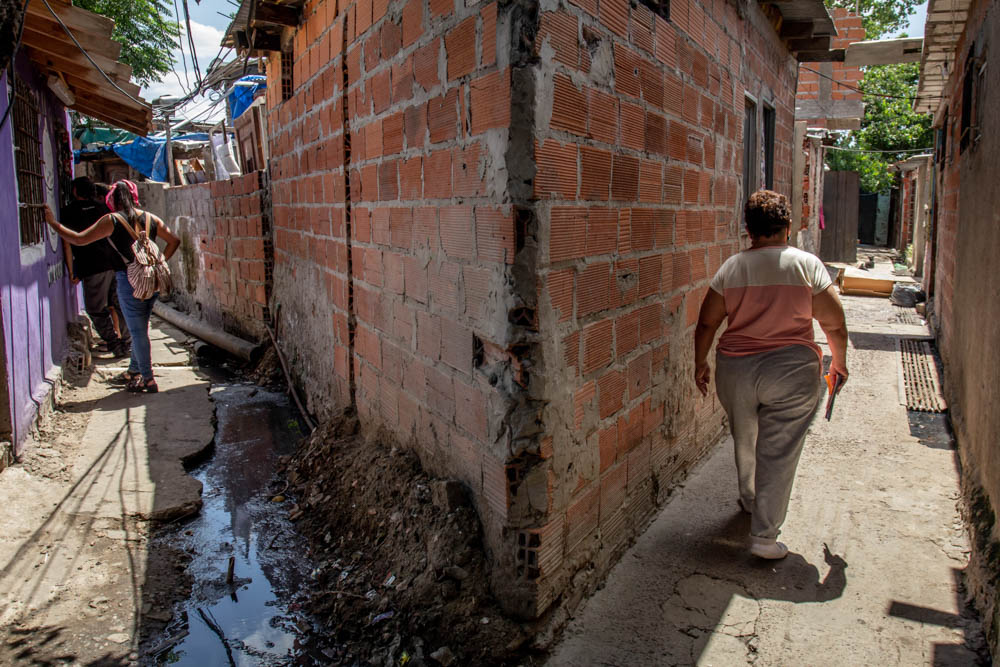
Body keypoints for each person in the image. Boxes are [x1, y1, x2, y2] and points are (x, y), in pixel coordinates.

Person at [693, 190, 848, 560]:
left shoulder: (732, 268)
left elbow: (706, 323)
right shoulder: (807, 265)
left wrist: (700, 363)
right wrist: (838, 363)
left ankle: (750, 500)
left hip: (736, 369)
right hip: (791, 370)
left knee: (745, 436)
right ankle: (764, 536)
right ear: (788, 227)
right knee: (779, 449)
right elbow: (835, 324)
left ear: (749, 230)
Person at [46, 180, 180, 394]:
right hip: (151, 280)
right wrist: (160, 261)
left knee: (138, 332)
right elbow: (174, 240)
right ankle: (134, 370)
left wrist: (53, 224)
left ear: (113, 199)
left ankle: (147, 379)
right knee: (141, 328)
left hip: (129, 281)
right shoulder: (151, 218)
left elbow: (79, 240)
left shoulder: (112, 220)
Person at [60, 177, 131, 357]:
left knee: (95, 309)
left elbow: (68, 243)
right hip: (114, 265)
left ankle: (114, 343)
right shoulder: (103, 209)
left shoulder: (68, 212)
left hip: (92, 267)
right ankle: (127, 342)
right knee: (119, 304)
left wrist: (71, 271)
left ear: (75, 191)